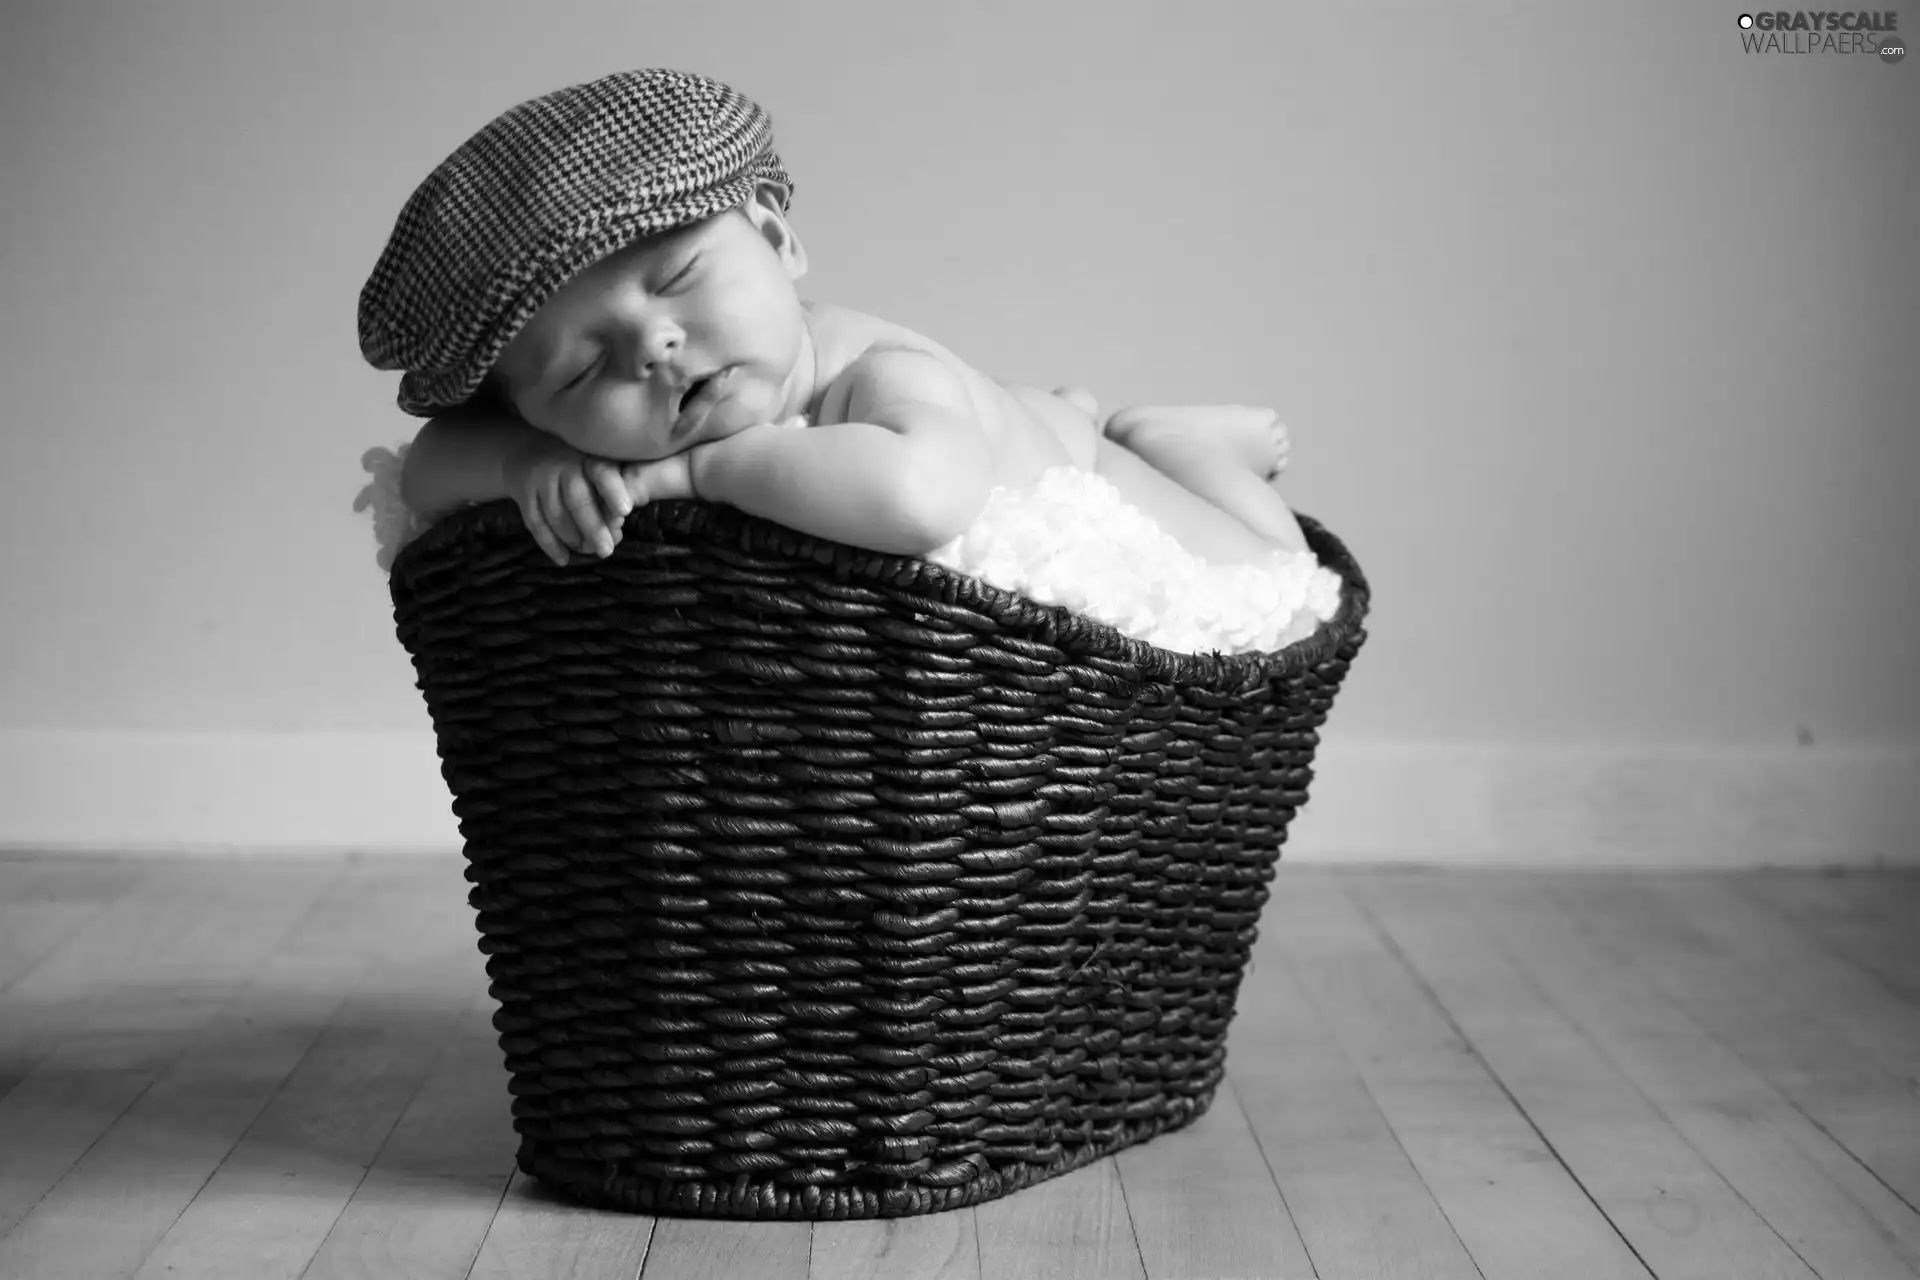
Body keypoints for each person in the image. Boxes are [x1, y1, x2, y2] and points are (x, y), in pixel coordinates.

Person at [361, 69, 1309, 570]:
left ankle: (1167, 434)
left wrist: (699, 470)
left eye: (680, 275)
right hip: (1021, 411)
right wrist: (528, 467)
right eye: (578, 371)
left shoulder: (877, 374)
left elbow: (919, 499)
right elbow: (428, 470)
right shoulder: (554, 440)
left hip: (1086, 464)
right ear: (532, 410)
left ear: (778, 240)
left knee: (1272, 567)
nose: (651, 346)